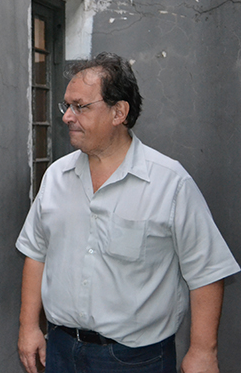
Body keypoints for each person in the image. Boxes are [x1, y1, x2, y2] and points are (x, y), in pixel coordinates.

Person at [15, 52, 240, 373]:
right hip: (61, 350)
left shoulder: (170, 183)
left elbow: (206, 271)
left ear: (119, 112)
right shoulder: (56, 177)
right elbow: (36, 253)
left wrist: (203, 351)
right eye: (67, 106)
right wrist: (28, 327)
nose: (67, 117)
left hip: (136, 359)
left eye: (80, 106)